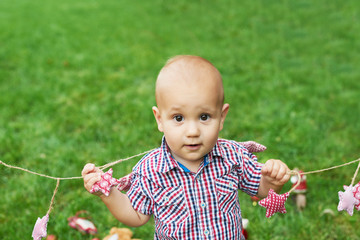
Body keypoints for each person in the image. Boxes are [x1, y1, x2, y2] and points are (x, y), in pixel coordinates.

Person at [82, 55, 290, 239]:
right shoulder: (150, 170)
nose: (192, 131)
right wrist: (107, 193)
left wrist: (271, 182)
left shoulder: (232, 156)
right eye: (179, 118)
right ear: (160, 119)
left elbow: (261, 190)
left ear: (222, 117)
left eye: (204, 117)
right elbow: (136, 215)